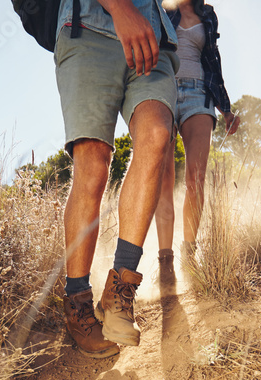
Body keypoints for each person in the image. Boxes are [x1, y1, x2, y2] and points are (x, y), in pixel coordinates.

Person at [55, 0, 180, 358]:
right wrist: (121, 9)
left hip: (152, 37)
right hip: (89, 31)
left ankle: (121, 289)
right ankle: (77, 303)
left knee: (157, 136)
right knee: (93, 166)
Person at [154, 0, 238, 269]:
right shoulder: (161, 8)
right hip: (163, 91)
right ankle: (165, 261)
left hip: (199, 94)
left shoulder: (207, 14)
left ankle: (189, 256)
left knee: (196, 179)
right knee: (163, 180)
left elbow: (214, 62)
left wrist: (225, 109)